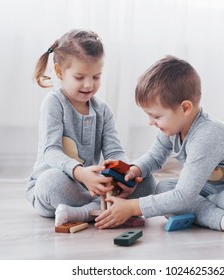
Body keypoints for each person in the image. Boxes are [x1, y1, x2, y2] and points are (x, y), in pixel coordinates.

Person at [95, 55, 224, 238]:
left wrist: (134, 207)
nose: (150, 122)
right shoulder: (172, 128)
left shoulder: (207, 134)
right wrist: (133, 170)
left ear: (185, 108)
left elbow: (185, 195)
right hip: (213, 189)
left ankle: (208, 212)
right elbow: (154, 157)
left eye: (156, 116)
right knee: (163, 189)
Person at [26, 29, 155, 226]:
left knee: (147, 181)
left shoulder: (103, 110)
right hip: (64, 183)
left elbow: (114, 151)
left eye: (96, 77)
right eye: (80, 77)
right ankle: (100, 209)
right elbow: (51, 151)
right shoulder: (54, 103)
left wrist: (125, 176)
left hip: (92, 186)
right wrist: (80, 173)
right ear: (60, 72)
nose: (89, 84)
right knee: (50, 183)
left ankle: (85, 211)